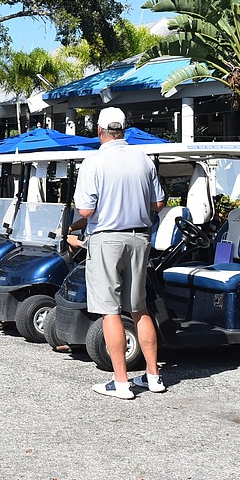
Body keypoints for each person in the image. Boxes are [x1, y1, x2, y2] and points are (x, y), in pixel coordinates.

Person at [74, 107, 166, 400]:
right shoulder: (143, 159)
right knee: (139, 308)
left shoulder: (94, 161)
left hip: (107, 239)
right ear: (124, 129)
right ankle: (153, 376)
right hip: (139, 238)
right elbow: (159, 204)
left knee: (109, 311)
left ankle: (121, 382)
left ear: (99, 131)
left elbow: (86, 210)